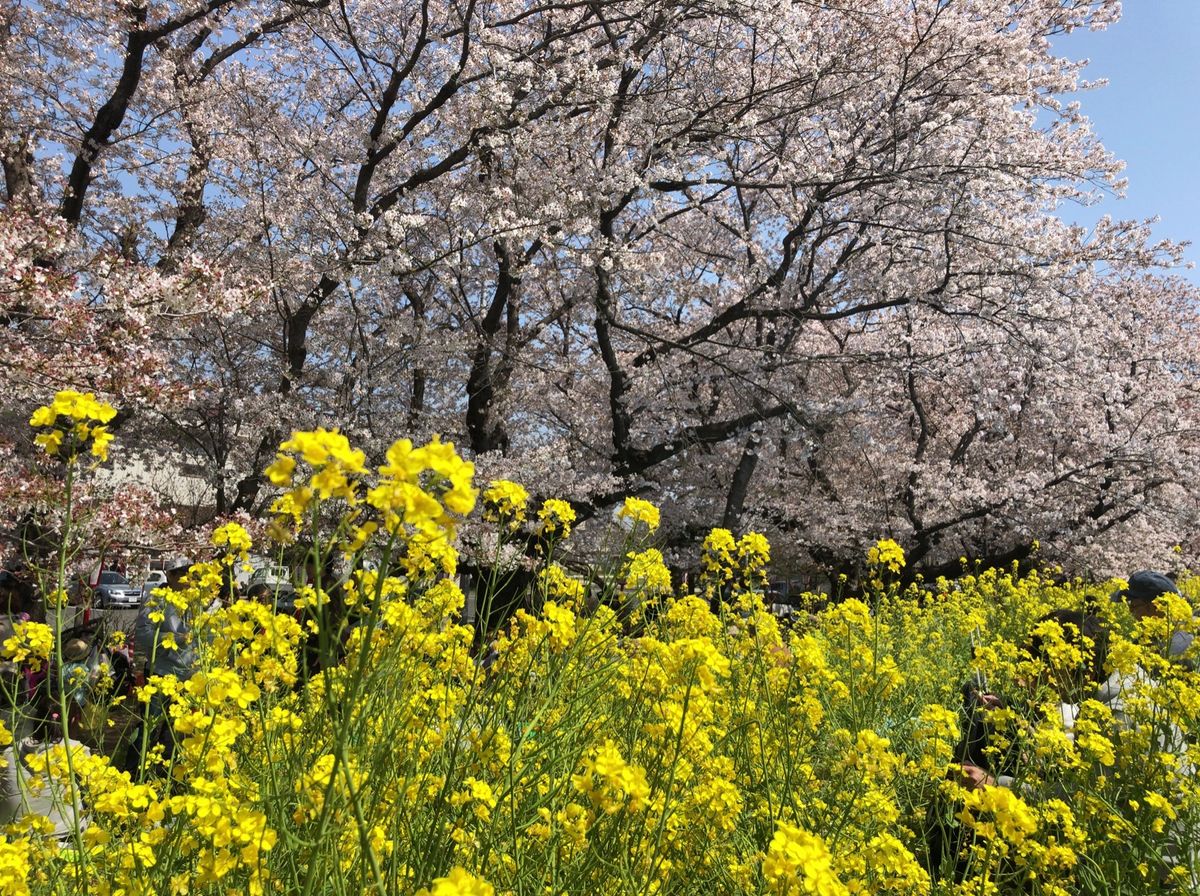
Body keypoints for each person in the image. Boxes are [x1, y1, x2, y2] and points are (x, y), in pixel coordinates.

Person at [1110, 570, 1195, 663]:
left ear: (1154, 607)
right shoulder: (1149, 639)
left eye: (1134, 606)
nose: (1130, 611)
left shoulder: (1183, 644)